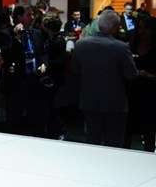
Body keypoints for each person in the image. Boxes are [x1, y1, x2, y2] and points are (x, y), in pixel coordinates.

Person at [71, 9, 141, 147]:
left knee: (92, 141)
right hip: (114, 103)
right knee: (113, 143)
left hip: (89, 100)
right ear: (114, 27)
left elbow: (75, 70)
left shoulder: (80, 44)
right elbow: (132, 75)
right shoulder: (121, 48)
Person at [0, 4, 46, 136]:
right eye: (28, 15)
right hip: (15, 82)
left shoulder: (37, 33)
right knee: (14, 119)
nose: (32, 17)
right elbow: (7, 55)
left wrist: (43, 65)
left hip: (34, 80)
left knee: (36, 118)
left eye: (33, 14)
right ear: (19, 17)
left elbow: (43, 53)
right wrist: (17, 38)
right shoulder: (6, 34)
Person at [124, 15, 156, 152]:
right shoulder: (129, 47)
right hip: (130, 92)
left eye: (146, 28)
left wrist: (147, 75)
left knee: (149, 131)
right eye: (140, 28)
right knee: (127, 130)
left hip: (150, 94)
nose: (142, 31)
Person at [39, 15, 67, 139]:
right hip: (51, 76)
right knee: (49, 105)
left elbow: (60, 61)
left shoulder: (58, 41)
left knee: (50, 106)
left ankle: (60, 129)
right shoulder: (50, 39)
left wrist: (47, 65)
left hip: (54, 77)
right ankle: (53, 131)